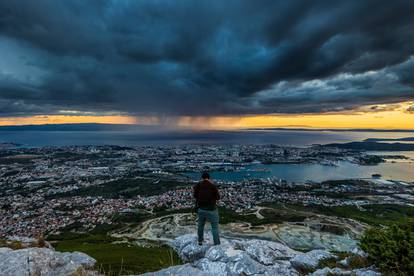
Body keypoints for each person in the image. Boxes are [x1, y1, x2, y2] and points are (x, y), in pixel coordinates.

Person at [193, 171, 220, 245]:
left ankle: (200, 241)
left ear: (202, 178)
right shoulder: (212, 186)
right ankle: (217, 244)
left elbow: (195, 196)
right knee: (214, 228)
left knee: (200, 226)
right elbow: (218, 197)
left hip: (201, 209)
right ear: (209, 178)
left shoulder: (198, 185)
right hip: (212, 209)